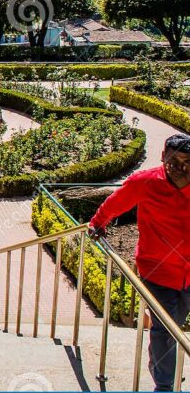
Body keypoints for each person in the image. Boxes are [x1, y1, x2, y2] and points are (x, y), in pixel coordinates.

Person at [89, 134, 190, 392]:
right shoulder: (146, 182)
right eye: (174, 161)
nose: (181, 168)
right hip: (158, 273)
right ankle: (165, 385)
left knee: (173, 327)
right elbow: (115, 204)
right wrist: (97, 224)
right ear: (163, 159)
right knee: (165, 329)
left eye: (187, 161)